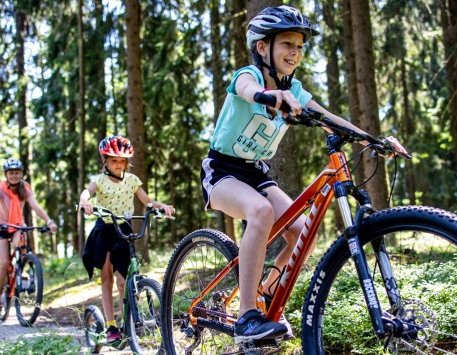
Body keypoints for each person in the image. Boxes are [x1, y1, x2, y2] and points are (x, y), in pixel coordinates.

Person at [201, 5, 408, 344]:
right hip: (221, 170)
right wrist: (270, 96)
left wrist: (374, 140)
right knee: (260, 212)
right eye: (286, 44)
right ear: (262, 47)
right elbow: (249, 92)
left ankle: (266, 293)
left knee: (302, 232)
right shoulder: (247, 76)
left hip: (256, 173)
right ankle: (245, 318)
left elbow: (329, 117)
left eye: (299, 46)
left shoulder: (295, 90)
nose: (295, 52)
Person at [78, 136, 174, 344]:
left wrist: (162, 207)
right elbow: (88, 191)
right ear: (105, 160)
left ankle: (127, 324)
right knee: (106, 276)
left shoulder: (132, 180)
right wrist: (84, 201)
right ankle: (111, 326)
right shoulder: (99, 180)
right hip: (105, 228)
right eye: (114, 160)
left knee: (124, 281)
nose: (118, 164)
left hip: (123, 227)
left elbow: (147, 202)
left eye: (122, 161)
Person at [0, 158, 58, 312]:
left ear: (21, 174)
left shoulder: (25, 188)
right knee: (3, 262)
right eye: (11, 173)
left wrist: (49, 221)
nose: (14, 176)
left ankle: (22, 270)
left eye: (17, 173)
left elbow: (35, 206)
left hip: (17, 225)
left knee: (22, 245)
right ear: (6, 174)